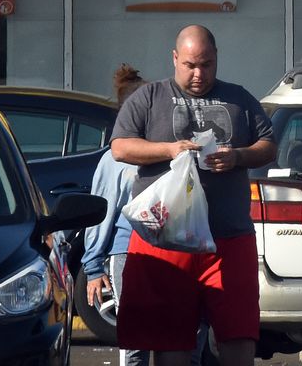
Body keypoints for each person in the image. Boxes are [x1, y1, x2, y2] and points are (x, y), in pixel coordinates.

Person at [111, 26, 277, 366]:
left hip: (228, 239)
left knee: (238, 335)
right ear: (174, 58)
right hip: (165, 241)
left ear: (217, 60)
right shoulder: (149, 97)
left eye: (207, 64)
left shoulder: (240, 98)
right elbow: (120, 147)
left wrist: (238, 157)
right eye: (189, 65)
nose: (199, 73)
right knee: (171, 342)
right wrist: (169, 150)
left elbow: (268, 146)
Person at [85, 65, 210, 366]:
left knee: (187, 337)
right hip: (130, 253)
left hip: (182, 252)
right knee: (136, 341)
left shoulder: (177, 150)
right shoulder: (116, 159)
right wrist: (92, 267)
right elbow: (102, 210)